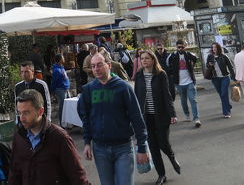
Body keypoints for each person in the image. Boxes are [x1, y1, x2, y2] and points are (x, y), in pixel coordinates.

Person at [78, 52, 149, 185]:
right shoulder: (88, 90)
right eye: (93, 66)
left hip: (123, 148)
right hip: (100, 149)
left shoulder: (123, 87)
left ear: (109, 65)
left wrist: (142, 147)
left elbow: (137, 117)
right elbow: (86, 118)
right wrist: (87, 142)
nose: (96, 69)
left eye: (99, 65)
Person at [9, 89, 90, 185]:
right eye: (19, 113)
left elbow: (77, 175)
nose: (21, 118)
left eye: (26, 113)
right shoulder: (19, 137)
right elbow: (15, 172)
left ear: (40, 111)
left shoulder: (59, 137)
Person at [134, 50, 181, 185]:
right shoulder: (138, 76)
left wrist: (172, 114)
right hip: (146, 117)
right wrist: (135, 117)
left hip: (161, 115)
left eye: (147, 58)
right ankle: (161, 175)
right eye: (142, 58)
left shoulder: (161, 75)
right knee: (153, 147)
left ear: (153, 60)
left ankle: (171, 157)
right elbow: (136, 96)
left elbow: (167, 95)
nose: (144, 60)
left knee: (163, 143)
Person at [167, 40, 202, 128]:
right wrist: (172, 73)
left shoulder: (189, 54)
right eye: (179, 47)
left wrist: (191, 67)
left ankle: (196, 119)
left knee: (193, 100)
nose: (180, 49)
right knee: (183, 100)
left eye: (182, 47)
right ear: (176, 47)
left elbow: (195, 59)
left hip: (190, 81)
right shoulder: (173, 55)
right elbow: (167, 64)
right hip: (179, 82)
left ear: (185, 47)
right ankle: (187, 115)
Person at [206, 42, 235, 118]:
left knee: (223, 94)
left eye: (215, 47)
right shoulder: (210, 56)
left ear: (218, 48)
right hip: (215, 78)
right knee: (222, 95)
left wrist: (234, 77)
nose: (214, 49)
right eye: (212, 47)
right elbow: (207, 65)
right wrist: (210, 65)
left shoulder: (224, 56)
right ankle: (227, 105)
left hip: (225, 77)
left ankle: (227, 113)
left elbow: (230, 67)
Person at [50, 53, 70, 125]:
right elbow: (54, 82)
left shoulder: (61, 67)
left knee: (67, 106)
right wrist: (52, 90)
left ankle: (68, 122)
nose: (64, 58)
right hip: (60, 90)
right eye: (63, 57)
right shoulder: (56, 70)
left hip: (65, 89)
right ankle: (62, 123)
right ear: (60, 59)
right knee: (62, 106)